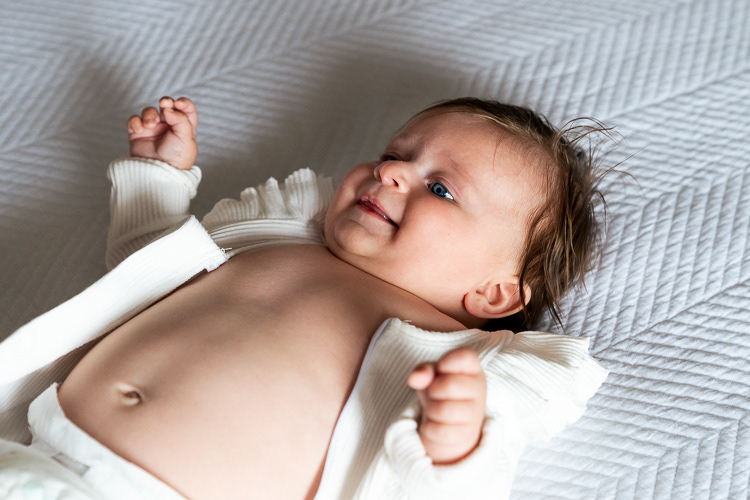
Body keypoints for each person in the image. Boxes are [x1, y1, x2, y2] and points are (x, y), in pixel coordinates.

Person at [0, 96, 610, 500]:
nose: (391, 173)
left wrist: (456, 442)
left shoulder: (460, 359)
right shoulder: (278, 233)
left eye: (441, 189)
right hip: (31, 454)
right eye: (395, 154)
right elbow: (144, 280)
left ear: (494, 293)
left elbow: (459, 486)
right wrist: (156, 182)